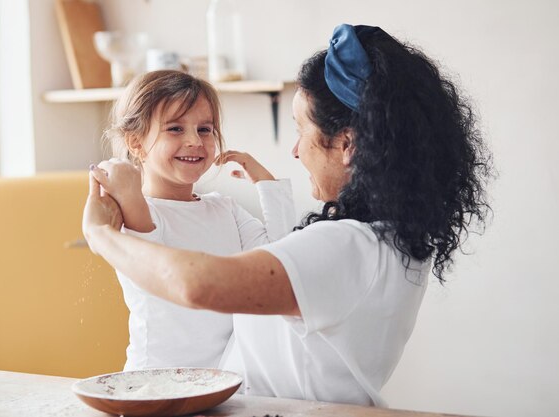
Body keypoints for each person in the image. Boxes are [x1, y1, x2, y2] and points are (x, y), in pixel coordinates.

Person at [83, 24, 491, 406]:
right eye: (175, 129)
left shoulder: (343, 245)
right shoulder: (389, 238)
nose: (295, 150)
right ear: (136, 142)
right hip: (167, 391)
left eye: (300, 130)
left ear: (346, 144)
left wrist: (100, 233)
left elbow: (196, 284)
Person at [91, 70, 296, 371]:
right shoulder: (137, 213)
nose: (194, 141)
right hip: (156, 386)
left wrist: (267, 184)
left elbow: (283, 261)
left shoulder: (225, 209)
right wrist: (123, 182)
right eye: (175, 129)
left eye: (204, 129)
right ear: (135, 144)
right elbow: (153, 260)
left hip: (221, 387)